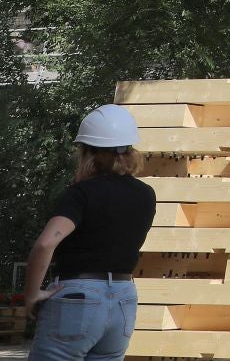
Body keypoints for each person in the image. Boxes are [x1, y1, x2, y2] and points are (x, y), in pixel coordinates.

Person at [23, 104, 157, 361]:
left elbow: (45, 245)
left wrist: (32, 294)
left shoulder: (81, 194)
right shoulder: (146, 194)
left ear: (87, 153)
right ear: (130, 151)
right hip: (123, 299)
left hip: (78, 298)